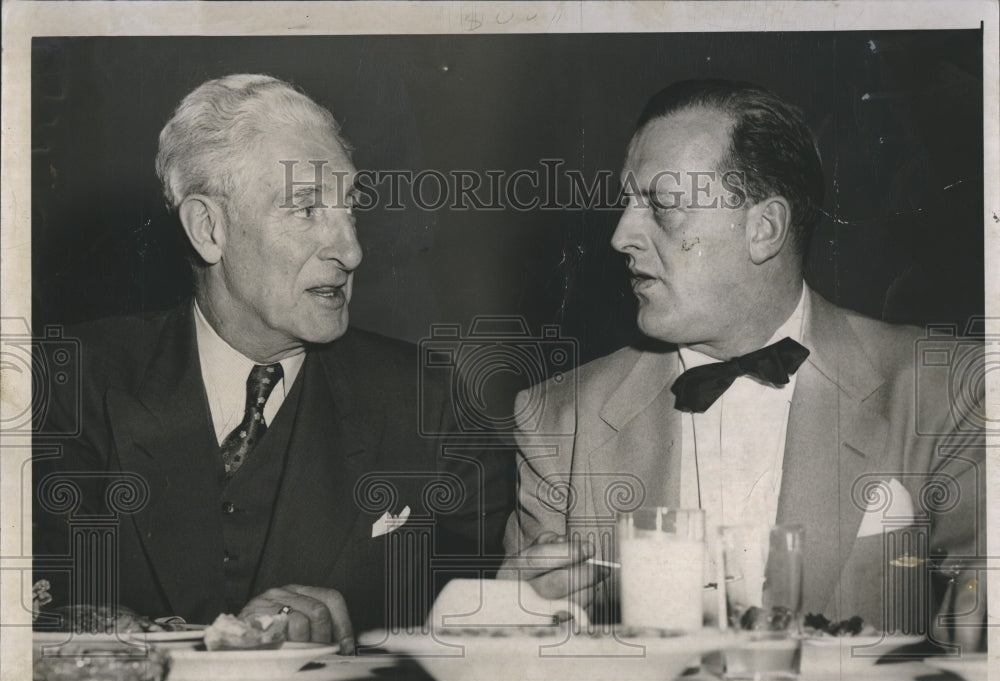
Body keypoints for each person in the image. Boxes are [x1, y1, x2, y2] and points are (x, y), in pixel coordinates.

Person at [32, 74, 511, 651]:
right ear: (209, 229)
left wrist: (359, 647)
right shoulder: (69, 383)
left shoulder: (427, 400)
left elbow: (496, 606)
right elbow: (36, 595)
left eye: (349, 208)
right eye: (306, 209)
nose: (351, 250)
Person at [502, 79, 985, 641]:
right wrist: (518, 613)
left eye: (661, 207)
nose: (619, 236)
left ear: (764, 229)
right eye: (627, 204)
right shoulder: (559, 418)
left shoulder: (946, 389)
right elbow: (523, 675)